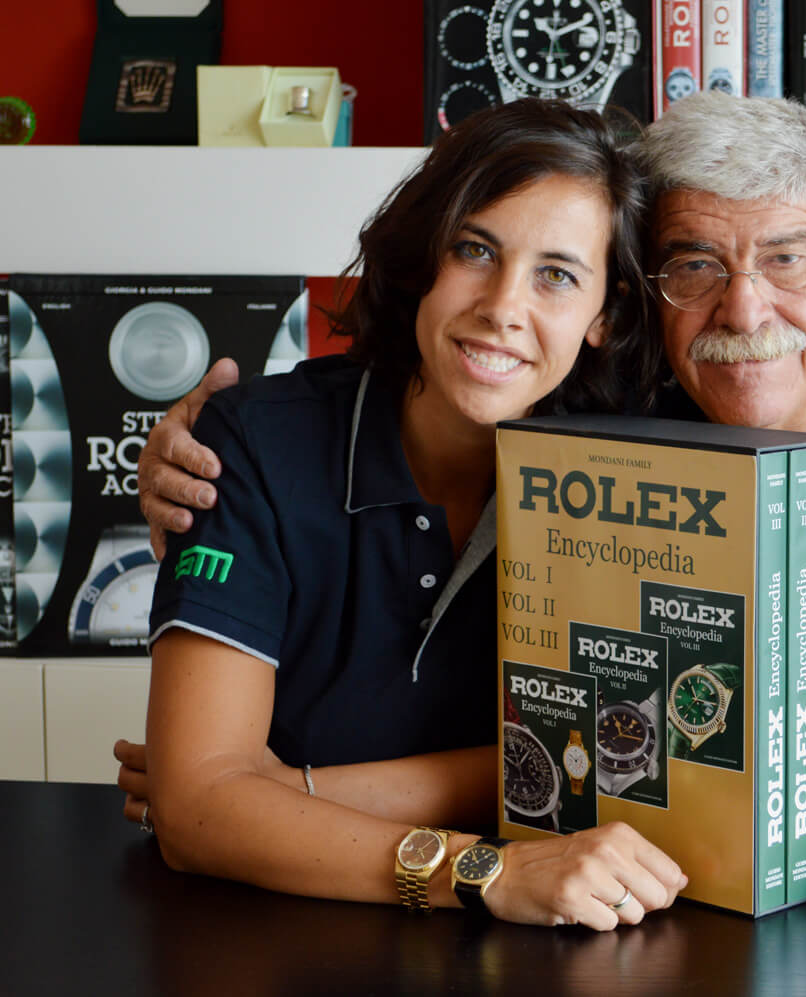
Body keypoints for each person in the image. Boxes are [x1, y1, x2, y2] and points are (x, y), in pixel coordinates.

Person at [130, 93, 806, 918]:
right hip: (653, 903)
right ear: (646, 307)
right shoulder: (629, 424)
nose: (744, 308)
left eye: (787, 259)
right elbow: (580, 741)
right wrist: (200, 454)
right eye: (695, 265)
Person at [123, 98, 685, 931]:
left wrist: (295, 791)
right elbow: (199, 812)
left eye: (557, 275)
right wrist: (485, 867)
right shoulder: (254, 443)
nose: (502, 305)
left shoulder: (644, 471)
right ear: (425, 255)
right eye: (475, 249)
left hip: (572, 932)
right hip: (281, 937)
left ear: (605, 315)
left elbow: (629, 764)